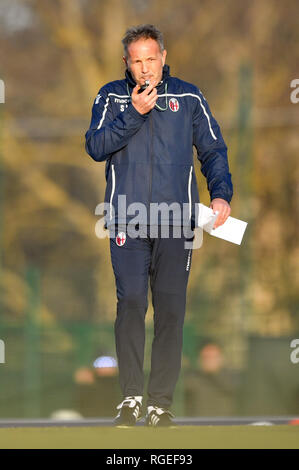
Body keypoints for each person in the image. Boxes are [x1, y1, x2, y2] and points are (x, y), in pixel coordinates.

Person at [85, 24, 233, 427]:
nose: (145, 68)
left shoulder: (188, 96)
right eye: (137, 61)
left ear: (163, 57)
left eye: (151, 58)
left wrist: (220, 193)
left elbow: (213, 149)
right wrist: (134, 113)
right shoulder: (111, 97)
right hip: (125, 222)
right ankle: (131, 398)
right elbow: (96, 146)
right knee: (131, 302)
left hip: (176, 223)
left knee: (170, 310)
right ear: (126, 64)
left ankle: (159, 405)